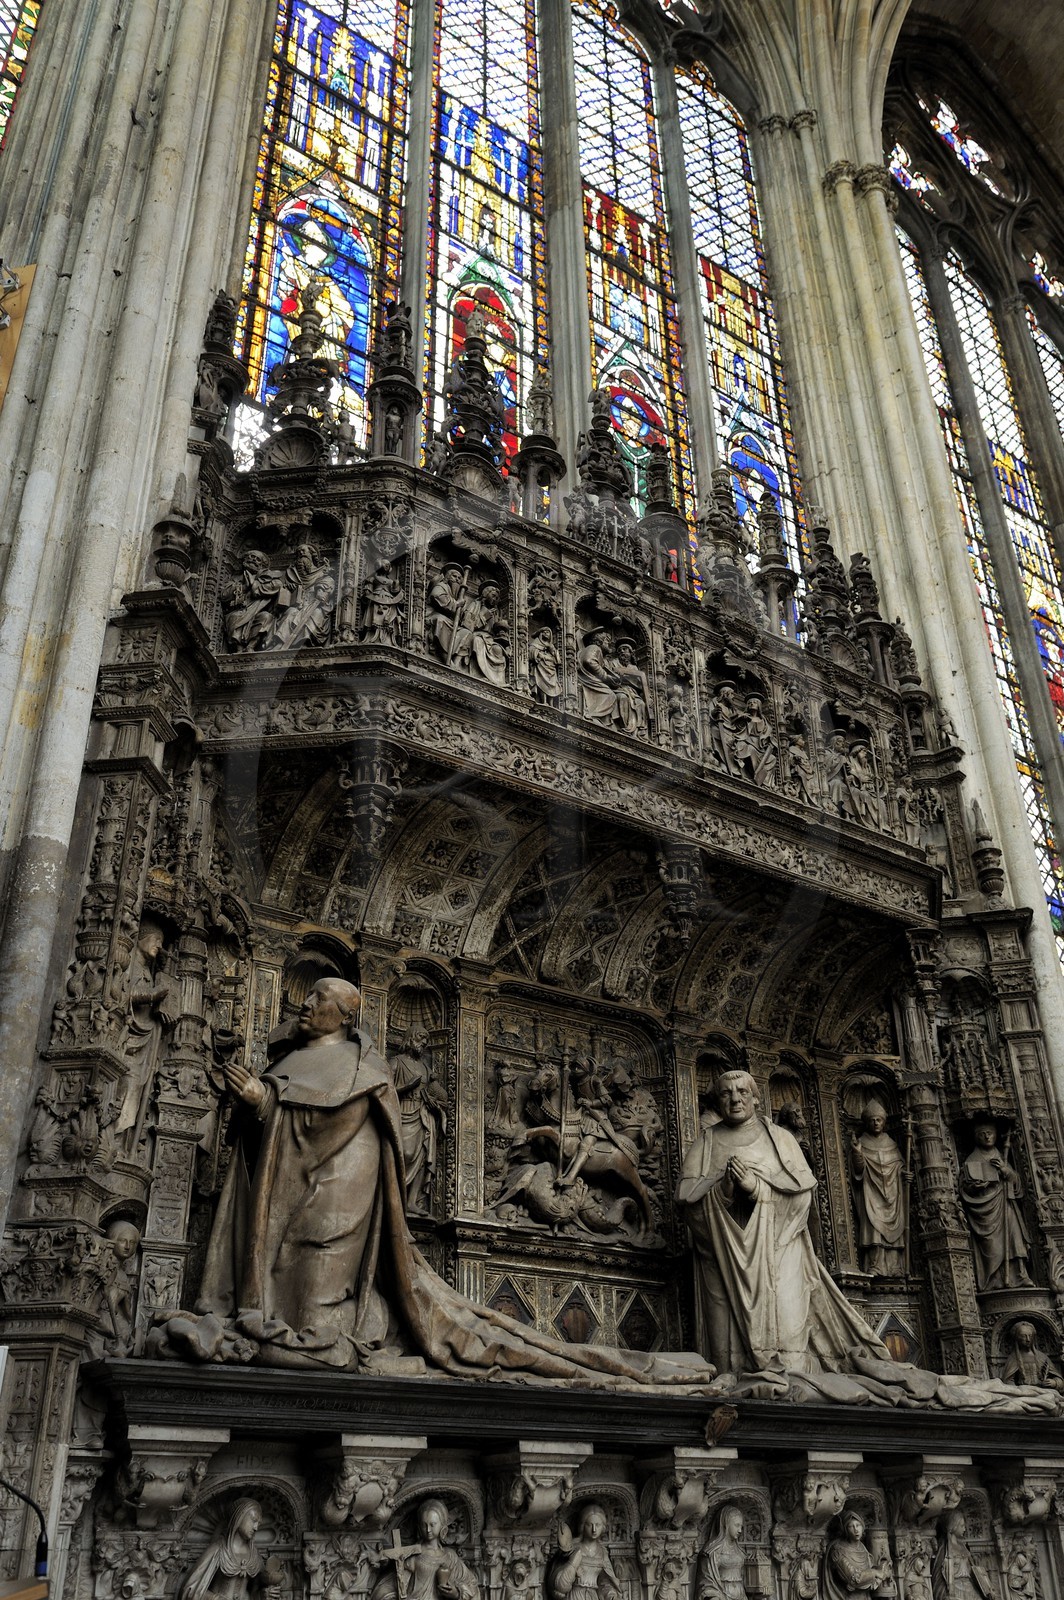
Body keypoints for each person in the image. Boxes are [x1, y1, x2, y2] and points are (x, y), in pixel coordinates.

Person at [154, 978, 714, 1389]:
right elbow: (272, 1139)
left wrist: (267, 1104)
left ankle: (316, 1337)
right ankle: (291, 1331)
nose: (306, 1003)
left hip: (338, 1195)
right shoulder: (288, 1063)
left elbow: (343, 1128)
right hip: (289, 1195)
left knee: (319, 1292)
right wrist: (259, 1104)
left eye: (318, 998)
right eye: (309, 996)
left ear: (346, 1015)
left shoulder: (364, 1068)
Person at [677, 1070, 890, 1375]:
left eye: (742, 1092)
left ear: (756, 1099)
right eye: (726, 1093)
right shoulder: (706, 1144)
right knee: (730, 1365)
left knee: (790, 1356)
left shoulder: (782, 1140)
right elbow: (689, 1211)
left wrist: (757, 1190)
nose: (735, 1099)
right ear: (717, 1100)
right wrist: (723, 1192)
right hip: (725, 1267)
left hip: (781, 1257)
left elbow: (802, 1201)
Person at [959, 1119, 1032, 1289]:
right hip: (985, 1211)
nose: (987, 1137)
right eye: (982, 1134)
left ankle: (1020, 1274)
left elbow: (1017, 1184)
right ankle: (995, 1278)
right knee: (992, 1246)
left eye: (990, 1133)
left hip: (1005, 1204)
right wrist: (975, 1187)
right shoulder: (972, 1160)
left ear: (996, 1135)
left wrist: (1006, 1171)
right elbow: (964, 1188)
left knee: (1014, 1237)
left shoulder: (1001, 1157)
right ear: (976, 1138)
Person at [370, 1499, 477, 1600]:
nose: (428, 1529)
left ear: (442, 1526)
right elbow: (396, 1582)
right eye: (424, 1525)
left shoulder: (450, 1556)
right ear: (419, 1526)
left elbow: (471, 1584)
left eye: (432, 1524)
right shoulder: (414, 1553)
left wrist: (456, 1593)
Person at [179, 1499, 281, 1600]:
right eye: (253, 1520)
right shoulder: (218, 1550)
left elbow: (254, 1592)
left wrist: (262, 1596)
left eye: (259, 1523)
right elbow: (190, 1590)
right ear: (239, 1517)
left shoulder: (255, 1556)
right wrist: (215, 1598)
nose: (256, 1528)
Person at [849, 1099, 906, 1274]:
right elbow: (857, 1171)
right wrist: (857, 1153)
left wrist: (903, 1173)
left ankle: (896, 1266)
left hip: (893, 1193)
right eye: (872, 1120)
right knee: (874, 1229)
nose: (875, 1123)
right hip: (871, 1192)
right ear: (866, 1123)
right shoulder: (861, 1142)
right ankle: (875, 1264)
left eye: (879, 1120)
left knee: (896, 1230)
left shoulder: (892, 1144)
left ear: (884, 1121)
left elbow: (899, 1166)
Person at [549, 1504, 621, 1600]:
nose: (594, 1529)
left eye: (598, 1525)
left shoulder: (602, 1552)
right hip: (575, 1595)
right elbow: (557, 1576)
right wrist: (573, 1570)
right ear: (582, 1525)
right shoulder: (573, 1548)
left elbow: (605, 1582)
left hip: (593, 1596)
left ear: (603, 1527)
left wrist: (610, 1594)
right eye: (589, 1525)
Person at [822, 1510, 895, 1600]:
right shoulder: (838, 1549)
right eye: (851, 1526)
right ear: (845, 1529)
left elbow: (869, 1573)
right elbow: (853, 1579)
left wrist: (883, 1570)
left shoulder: (862, 1547)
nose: (856, 1529)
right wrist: (876, 1573)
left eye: (858, 1525)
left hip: (865, 1597)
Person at [931, 1510, 991, 1600]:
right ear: (953, 1526)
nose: (964, 1529)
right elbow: (938, 1577)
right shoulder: (944, 1549)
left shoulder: (963, 1547)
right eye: (962, 1526)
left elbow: (973, 1571)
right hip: (955, 1589)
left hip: (970, 1588)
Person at [697, 1504, 747, 1600]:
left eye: (741, 1526)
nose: (740, 1530)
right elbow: (706, 1582)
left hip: (741, 1596)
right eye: (737, 1525)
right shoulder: (712, 1550)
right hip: (721, 1596)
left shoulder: (740, 1551)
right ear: (726, 1524)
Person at [1002, 1320, 1064, 1391]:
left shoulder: (1042, 1357)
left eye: (1030, 1336)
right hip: (1023, 1392)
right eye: (1023, 1336)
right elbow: (1007, 1381)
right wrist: (1018, 1390)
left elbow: (1060, 1379)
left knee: (1050, 1397)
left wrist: (1055, 1382)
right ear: (1017, 1338)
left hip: (1042, 1391)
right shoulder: (1013, 1358)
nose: (1028, 1339)